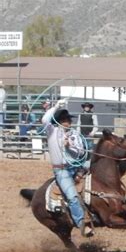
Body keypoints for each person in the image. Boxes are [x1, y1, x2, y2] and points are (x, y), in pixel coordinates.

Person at [42, 99, 93, 237]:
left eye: (68, 120)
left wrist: (69, 147)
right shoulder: (52, 132)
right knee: (72, 197)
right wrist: (56, 106)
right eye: (64, 120)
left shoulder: (75, 135)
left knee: (97, 170)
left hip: (77, 166)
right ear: (58, 121)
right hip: (62, 170)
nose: (68, 122)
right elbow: (45, 119)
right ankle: (81, 223)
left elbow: (82, 152)